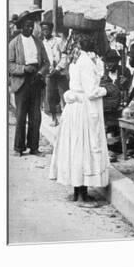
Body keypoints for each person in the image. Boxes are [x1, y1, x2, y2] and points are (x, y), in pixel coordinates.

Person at [49, 33, 109, 203]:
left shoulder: (76, 59)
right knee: (83, 149)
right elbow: (91, 91)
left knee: (75, 149)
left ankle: (78, 191)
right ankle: (82, 195)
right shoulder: (86, 62)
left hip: (74, 109)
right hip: (83, 109)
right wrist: (105, 90)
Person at [8, 12, 50, 156]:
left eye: (32, 26)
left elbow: (46, 62)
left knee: (35, 117)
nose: (30, 29)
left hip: (36, 81)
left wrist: (39, 73)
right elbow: (9, 65)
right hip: (21, 82)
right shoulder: (14, 43)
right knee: (20, 116)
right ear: (21, 27)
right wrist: (24, 69)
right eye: (27, 26)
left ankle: (34, 147)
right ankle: (18, 148)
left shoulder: (38, 42)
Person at [40, 21, 68, 126]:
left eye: (47, 29)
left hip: (60, 73)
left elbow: (65, 55)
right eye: (43, 30)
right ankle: (54, 118)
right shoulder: (42, 43)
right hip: (49, 74)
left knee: (65, 95)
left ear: (51, 30)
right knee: (50, 97)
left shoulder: (59, 41)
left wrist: (58, 68)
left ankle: (67, 119)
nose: (45, 32)